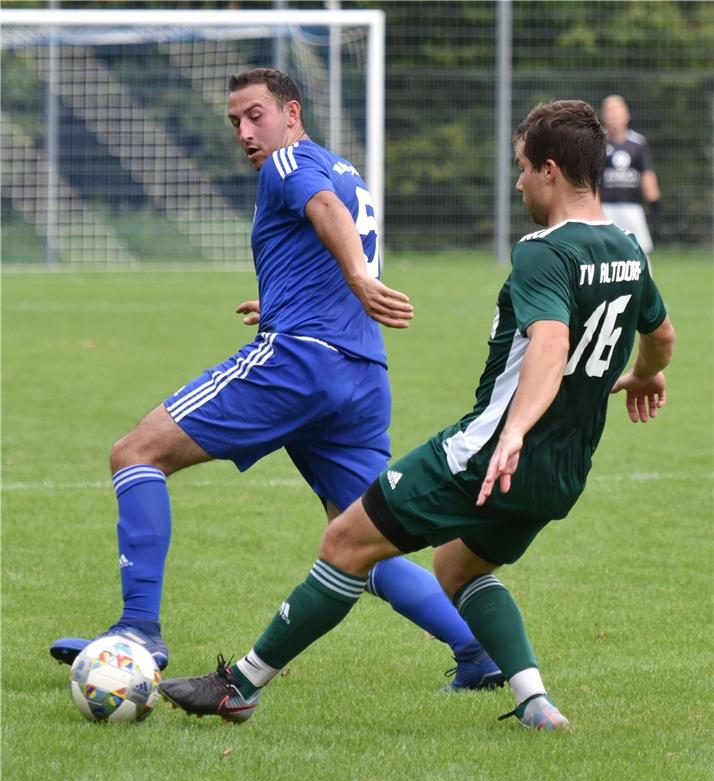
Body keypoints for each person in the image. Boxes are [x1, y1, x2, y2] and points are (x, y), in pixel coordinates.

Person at [158, 99, 676, 731]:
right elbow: (663, 335)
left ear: (549, 170)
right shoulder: (627, 247)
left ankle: (238, 686)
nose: (517, 184)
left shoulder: (544, 251)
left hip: (489, 453)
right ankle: (535, 701)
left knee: (345, 541)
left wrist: (512, 431)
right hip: (563, 470)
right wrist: (645, 374)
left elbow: (550, 343)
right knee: (458, 567)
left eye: (521, 169)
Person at [49, 68, 504, 692]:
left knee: (135, 454)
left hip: (302, 364)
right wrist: (296, 299)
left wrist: (355, 281)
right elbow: (330, 226)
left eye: (255, 114)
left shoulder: (288, 165)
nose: (244, 131)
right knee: (358, 535)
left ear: (292, 112)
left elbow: (324, 213)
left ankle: (137, 632)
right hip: (361, 375)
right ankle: (476, 649)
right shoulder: (343, 168)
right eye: (234, 121)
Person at [600, 94, 661, 254]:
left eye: (617, 111)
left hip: (632, 207)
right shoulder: (599, 142)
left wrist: (654, 202)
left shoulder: (638, 143)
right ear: (604, 116)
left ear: (626, 115)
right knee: (605, 252)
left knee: (639, 251)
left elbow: (646, 173)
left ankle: (643, 279)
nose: (614, 116)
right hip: (604, 208)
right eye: (610, 112)